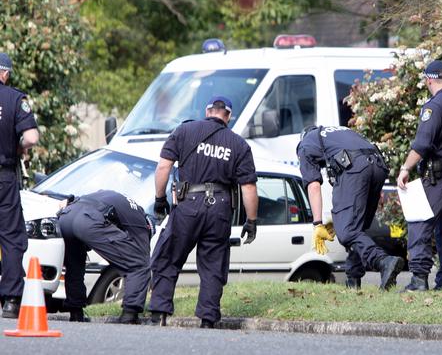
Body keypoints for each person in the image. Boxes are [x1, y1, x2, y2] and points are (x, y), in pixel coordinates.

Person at [149, 95, 258, 328]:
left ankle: (160, 312)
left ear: (208, 111)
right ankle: (208, 319)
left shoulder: (184, 131)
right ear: (228, 116)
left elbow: (163, 167)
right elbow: (248, 187)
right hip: (219, 210)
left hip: (187, 204)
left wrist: (160, 199)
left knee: (169, 256)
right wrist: (251, 221)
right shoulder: (239, 144)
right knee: (213, 264)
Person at [297, 126, 404, 291]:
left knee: (347, 232)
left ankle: (383, 261)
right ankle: (353, 279)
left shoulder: (305, 145)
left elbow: (313, 186)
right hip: (378, 165)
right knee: (357, 229)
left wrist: (317, 223)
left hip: (355, 167)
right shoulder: (336, 133)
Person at [396, 60, 442, 291]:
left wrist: (405, 168)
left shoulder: (434, 106)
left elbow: (422, 144)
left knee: (419, 221)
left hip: (440, 173)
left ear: (429, 80)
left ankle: (419, 279)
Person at [57, 190, 154, 324]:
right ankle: (129, 315)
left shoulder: (127, 205)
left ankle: (76, 313)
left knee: (74, 265)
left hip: (66, 216)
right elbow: (141, 257)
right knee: (139, 265)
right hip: (88, 220)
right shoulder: (142, 224)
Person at [0, 53, 39, 318]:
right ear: (4, 73)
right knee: (12, 236)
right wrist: (19, 145)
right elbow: (31, 137)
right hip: (4, 177)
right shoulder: (15, 99)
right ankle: (12, 300)